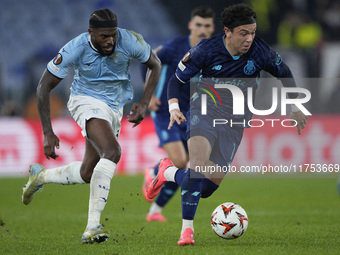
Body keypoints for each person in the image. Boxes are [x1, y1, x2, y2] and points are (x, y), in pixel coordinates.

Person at [146, 3, 308, 246]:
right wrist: (173, 106)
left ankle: (167, 172)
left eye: (253, 32)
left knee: (206, 187)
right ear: (228, 31)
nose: (249, 38)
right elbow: (177, 79)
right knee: (198, 166)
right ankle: (186, 232)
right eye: (244, 33)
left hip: (235, 121)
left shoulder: (260, 51)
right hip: (204, 109)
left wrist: (295, 105)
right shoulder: (205, 50)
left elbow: (284, 72)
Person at [22, 8, 161, 244]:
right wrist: (47, 131)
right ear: (91, 33)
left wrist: (144, 102)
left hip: (115, 106)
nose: (110, 41)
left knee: (88, 172)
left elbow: (155, 64)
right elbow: (43, 85)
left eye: (113, 35)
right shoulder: (75, 48)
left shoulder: (130, 40)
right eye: (104, 36)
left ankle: (41, 177)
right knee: (113, 151)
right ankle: (92, 227)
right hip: (85, 101)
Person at [142, 6, 215, 222]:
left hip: (192, 115)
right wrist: (149, 94)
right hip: (166, 111)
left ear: (212, 28)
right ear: (191, 25)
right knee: (180, 163)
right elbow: (150, 60)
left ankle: (155, 211)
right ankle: (154, 172)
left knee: (181, 166)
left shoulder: (212, 52)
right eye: (199, 25)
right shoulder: (175, 47)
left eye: (207, 26)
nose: (202, 30)